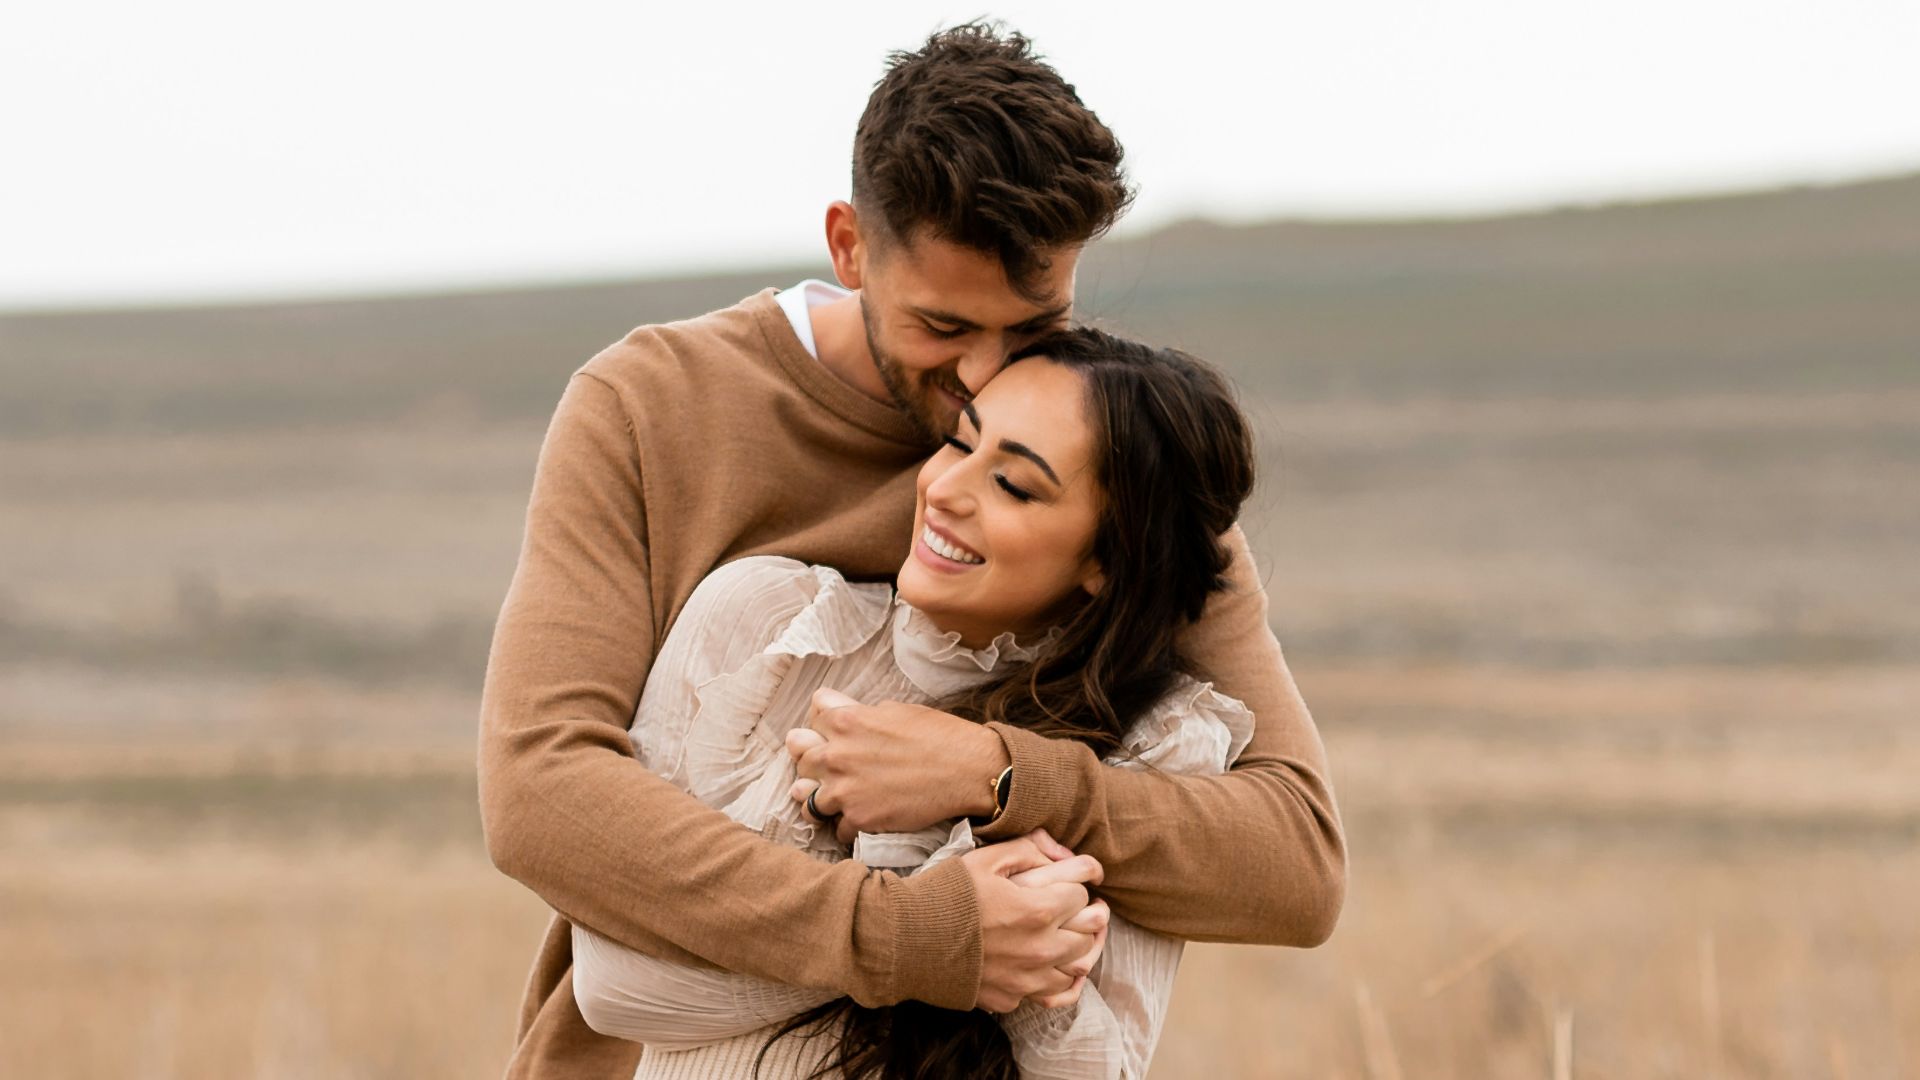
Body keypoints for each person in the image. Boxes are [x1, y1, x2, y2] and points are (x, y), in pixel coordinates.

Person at [478, 22, 1344, 1080]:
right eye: (942, 326)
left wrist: (998, 775)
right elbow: (541, 791)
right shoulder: (651, 408)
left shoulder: (1119, 479)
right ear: (849, 246)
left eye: (1032, 327)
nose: (984, 377)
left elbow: (1295, 861)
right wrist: (913, 936)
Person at [570, 330, 1261, 1079]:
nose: (946, 490)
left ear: (1106, 559)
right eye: (961, 444)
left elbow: (1101, 1069)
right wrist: (938, 924)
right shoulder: (765, 622)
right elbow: (617, 986)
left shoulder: (1155, 743)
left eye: (1016, 487)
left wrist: (1020, 975)